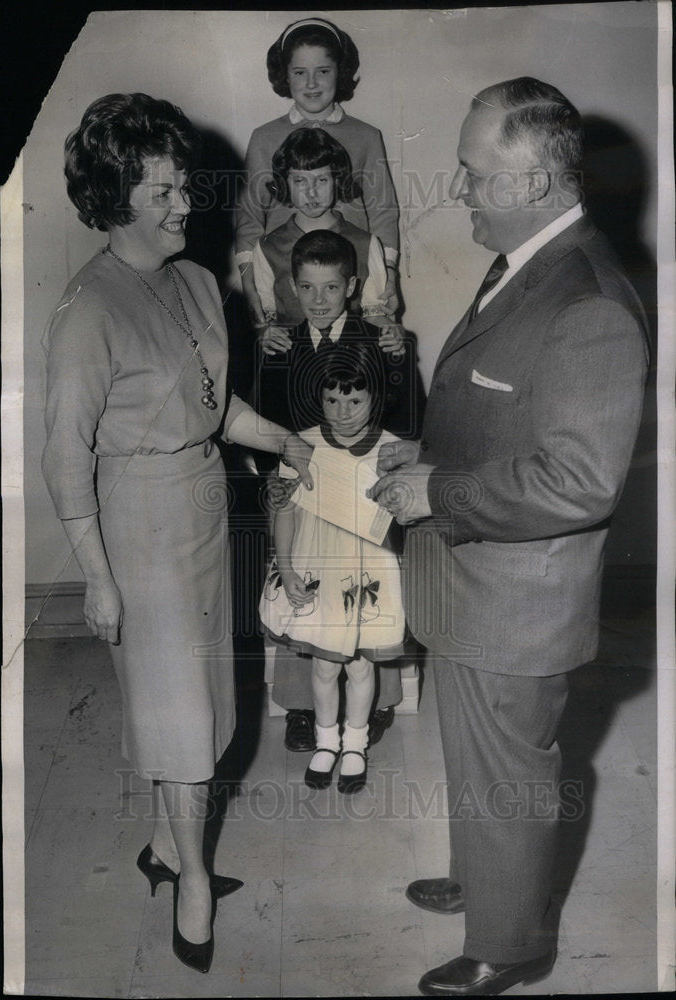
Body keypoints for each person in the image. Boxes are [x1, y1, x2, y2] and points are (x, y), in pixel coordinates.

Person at [370, 77, 648, 996]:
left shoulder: (590, 301)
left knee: (511, 771)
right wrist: (428, 452)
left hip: (518, 596)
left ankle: (513, 942)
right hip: (475, 573)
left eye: (472, 172)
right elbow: (505, 410)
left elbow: (578, 478)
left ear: (530, 185)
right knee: (476, 760)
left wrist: (436, 489)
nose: (458, 188)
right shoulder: (526, 266)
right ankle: (491, 882)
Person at [41, 92, 314, 976]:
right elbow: (62, 456)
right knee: (181, 720)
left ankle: (166, 847)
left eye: (182, 186)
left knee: (202, 708)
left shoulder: (197, 281)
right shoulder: (88, 311)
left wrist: (283, 441)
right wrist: (96, 573)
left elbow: (212, 404)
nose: (183, 205)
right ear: (115, 200)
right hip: (137, 530)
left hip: (202, 505)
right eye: (159, 193)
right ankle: (192, 880)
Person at [255, 229, 424, 752]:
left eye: (331, 289)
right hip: (306, 487)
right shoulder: (280, 344)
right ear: (293, 288)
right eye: (307, 289)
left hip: (361, 485)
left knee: (369, 586)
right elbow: (265, 421)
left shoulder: (379, 339)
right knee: (303, 585)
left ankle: (377, 703)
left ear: (351, 286)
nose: (320, 301)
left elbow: (408, 415)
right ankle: (304, 707)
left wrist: (399, 356)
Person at [260, 342, 406, 792]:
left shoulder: (391, 449)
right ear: (318, 398)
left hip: (368, 575)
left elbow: (403, 519)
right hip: (317, 567)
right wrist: (285, 570)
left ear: (374, 398)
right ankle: (326, 741)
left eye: (355, 400)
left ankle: (355, 743)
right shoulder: (302, 446)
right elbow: (284, 511)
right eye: (332, 400)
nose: (343, 412)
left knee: (361, 666)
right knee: (323, 667)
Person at [235, 16, 400, 334]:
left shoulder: (366, 136)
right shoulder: (264, 137)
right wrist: (250, 280)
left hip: (352, 272)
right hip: (286, 273)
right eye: (300, 73)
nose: (311, 84)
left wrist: (388, 273)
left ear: (340, 72)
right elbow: (249, 215)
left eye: (323, 71)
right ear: (285, 75)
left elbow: (383, 211)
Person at [253, 126, 396, 346]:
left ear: (337, 181)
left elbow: (375, 317)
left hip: (350, 364)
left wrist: (391, 335)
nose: (311, 192)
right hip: (293, 366)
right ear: (285, 184)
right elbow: (267, 319)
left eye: (321, 180)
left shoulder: (365, 243)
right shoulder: (268, 248)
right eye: (300, 181)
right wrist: (265, 333)